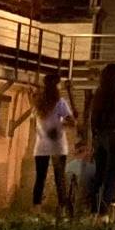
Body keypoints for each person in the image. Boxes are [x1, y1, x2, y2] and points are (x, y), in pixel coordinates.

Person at [84, 63, 115, 214]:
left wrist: (94, 138)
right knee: (112, 175)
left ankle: (94, 208)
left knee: (99, 173)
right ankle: (103, 211)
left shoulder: (98, 94)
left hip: (100, 137)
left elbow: (93, 118)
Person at [30, 72, 73, 211]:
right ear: (57, 86)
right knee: (59, 178)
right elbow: (71, 122)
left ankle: (36, 207)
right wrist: (62, 125)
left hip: (41, 146)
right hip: (58, 145)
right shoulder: (60, 103)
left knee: (40, 178)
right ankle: (62, 208)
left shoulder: (38, 102)